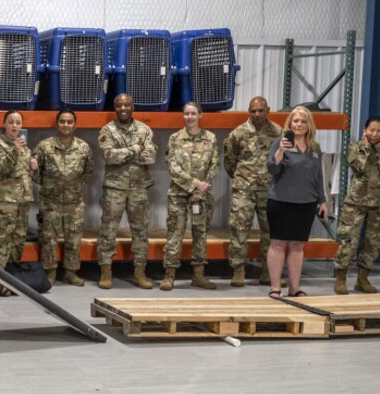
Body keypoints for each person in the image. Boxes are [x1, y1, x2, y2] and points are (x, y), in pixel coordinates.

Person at [265, 106, 328, 298]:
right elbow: (273, 170)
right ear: (290, 123)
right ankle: (275, 288)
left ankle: (295, 288)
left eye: (303, 121)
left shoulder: (315, 148)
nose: (299, 124)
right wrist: (281, 152)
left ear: (309, 125)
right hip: (281, 201)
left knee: (297, 246)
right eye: (296, 121)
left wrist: (322, 200)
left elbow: (318, 175)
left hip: (306, 203)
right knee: (278, 244)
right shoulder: (280, 142)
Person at [97, 93, 156, 289]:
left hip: (139, 188)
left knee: (140, 231)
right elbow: (109, 156)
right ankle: (106, 273)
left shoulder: (145, 129)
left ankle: (140, 273)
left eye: (127, 105)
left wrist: (125, 153)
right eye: (119, 105)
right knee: (108, 231)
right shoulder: (107, 130)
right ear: (115, 108)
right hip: (114, 189)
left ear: (133, 107)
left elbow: (150, 157)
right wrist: (135, 149)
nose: (123, 108)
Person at [333, 115, 380, 294]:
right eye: (371, 130)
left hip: (379, 202)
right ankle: (341, 278)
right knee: (349, 240)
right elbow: (358, 167)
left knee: (373, 242)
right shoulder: (355, 148)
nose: (374, 134)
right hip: (356, 202)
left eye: (378, 131)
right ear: (364, 130)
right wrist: (368, 147)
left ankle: (362, 279)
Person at [224, 95, 282, 287]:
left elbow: (283, 160)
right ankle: (238, 270)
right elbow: (230, 162)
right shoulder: (238, 133)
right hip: (244, 190)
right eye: (253, 111)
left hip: (270, 190)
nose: (257, 114)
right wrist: (243, 179)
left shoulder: (278, 133)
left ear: (268, 110)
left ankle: (268, 272)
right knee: (239, 230)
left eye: (261, 110)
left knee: (271, 233)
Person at [32, 109, 93, 286]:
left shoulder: (83, 147)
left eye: (69, 122)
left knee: (73, 239)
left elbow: (88, 172)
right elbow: (36, 173)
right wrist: (52, 184)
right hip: (50, 202)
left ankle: (71, 272)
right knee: (48, 239)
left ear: (75, 125)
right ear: (57, 124)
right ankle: (50, 272)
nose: (66, 125)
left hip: (74, 203)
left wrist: (71, 184)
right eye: (62, 122)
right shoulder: (45, 146)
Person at [161, 102, 219, 291]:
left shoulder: (210, 138)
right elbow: (173, 167)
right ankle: (169, 275)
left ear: (200, 115)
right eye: (186, 113)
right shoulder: (175, 138)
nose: (190, 117)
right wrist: (194, 185)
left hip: (201, 196)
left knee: (200, 235)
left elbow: (213, 165)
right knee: (175, 235)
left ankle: (199, 276)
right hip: (178, 194)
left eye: (194, 113)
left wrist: (200, 190)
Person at [0, 110, 35, 296]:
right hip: (3, 203)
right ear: (4, 124)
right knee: (1, 244)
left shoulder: (25, 148)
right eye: (11, 122)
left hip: (22, 203)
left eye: (18, 122)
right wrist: (15, 150)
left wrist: (34, 167)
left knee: (17, 242)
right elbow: (1, 168)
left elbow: (27, 176)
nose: (15, 126)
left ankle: (11, 280)